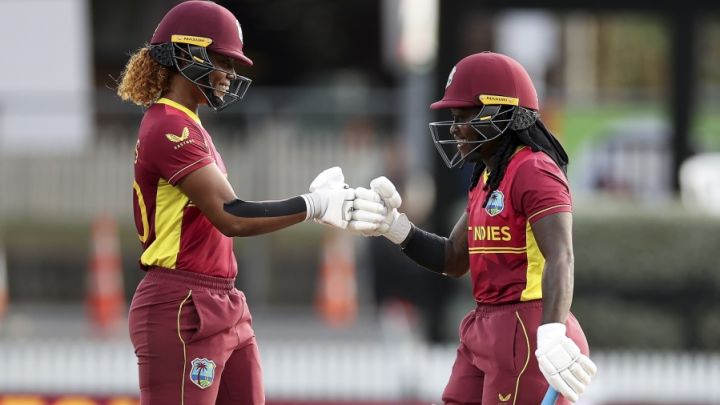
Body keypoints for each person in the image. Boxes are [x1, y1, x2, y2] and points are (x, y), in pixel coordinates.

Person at [116, 2, 360, 404]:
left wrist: (316, 203)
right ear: (187, 55)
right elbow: (231, 215)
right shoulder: (170, 126)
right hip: (182, 302)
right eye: (222, 61)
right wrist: (314, 204)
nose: (229, 74)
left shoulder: (187, 123)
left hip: (220, 298)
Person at [348, 52, 597, 404]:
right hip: (485, 324)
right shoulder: (485, 177)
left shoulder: (534, 170)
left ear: (499, 113)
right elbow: (453, 258)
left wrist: (553, 331)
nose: (454, 128)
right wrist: (394, 227)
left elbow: (561, 255)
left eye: (463, 116)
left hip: (525, 327)